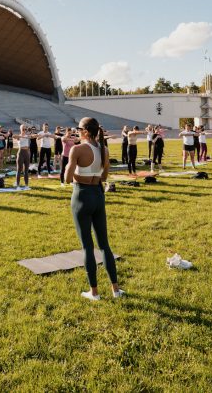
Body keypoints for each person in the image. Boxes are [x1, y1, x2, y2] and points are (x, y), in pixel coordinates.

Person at [64, 117, 123, 301]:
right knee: (104, 245)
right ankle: (115, 290)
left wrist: (72, 168)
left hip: (82, 195)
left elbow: (66, 178)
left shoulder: (78, 149)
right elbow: (104, 176)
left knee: (87, 247)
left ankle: (94, 292)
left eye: (78, 129)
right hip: (98, 195)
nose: (77, 131)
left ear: (86, 131)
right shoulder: (103, 149)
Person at [13, 124, 35, 188]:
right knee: (19, 169)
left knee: (26, 170)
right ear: (20, 129)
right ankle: (17, 185)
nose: (24, 130)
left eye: (25, 129)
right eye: (23, 129)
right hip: (21, 152)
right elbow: (14, 136)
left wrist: (29, 136)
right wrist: (23, 137)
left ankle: (26, 185)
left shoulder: (27, 135)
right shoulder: (19, 136)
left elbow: (35, 135)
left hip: (26, 153)